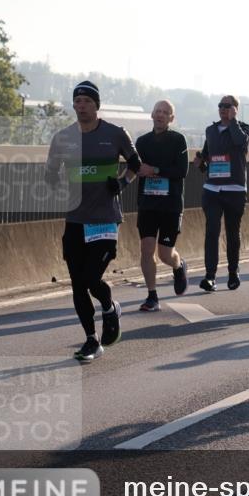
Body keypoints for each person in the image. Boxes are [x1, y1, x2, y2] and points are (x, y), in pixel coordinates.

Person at [45, 81, 140, 361]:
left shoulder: (115, 134)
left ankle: (110, 306)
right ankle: (91, 339)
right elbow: (50, 173)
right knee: (77, 283)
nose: (81, 105)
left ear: (96, 104)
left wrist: (122, 183)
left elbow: (135, 164)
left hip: (104, 220)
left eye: (87, 101)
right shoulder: (63, 138)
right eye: (77, 101)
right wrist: (56, 185)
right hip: (75, 219)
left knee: (90, 278)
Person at [135, 100, 189, 311]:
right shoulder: (141, 142)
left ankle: (179, 265)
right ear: (152, 114)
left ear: (171, 118)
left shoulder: (178, 140)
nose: (160, 115)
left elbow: (181, 171)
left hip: (171, 206)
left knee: (166, 254)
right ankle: (152, 296)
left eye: (165, 112)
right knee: (146, 249)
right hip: (148, 204)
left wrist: (154, 170)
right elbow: (134, 168)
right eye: (157, 111)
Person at [195, 95, 249, 292]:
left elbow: (239, 142)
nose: (223, 109)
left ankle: (233, 273)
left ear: (235, 109)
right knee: (211, 231)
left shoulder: (243, 129)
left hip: (235, 190)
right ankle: (210, 277)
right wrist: (200, 163)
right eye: (220, 105)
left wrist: (234, 120)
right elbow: (206, 158)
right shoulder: (210, 130)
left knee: (232, 233)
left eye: (227, 106)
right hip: (212, 190)